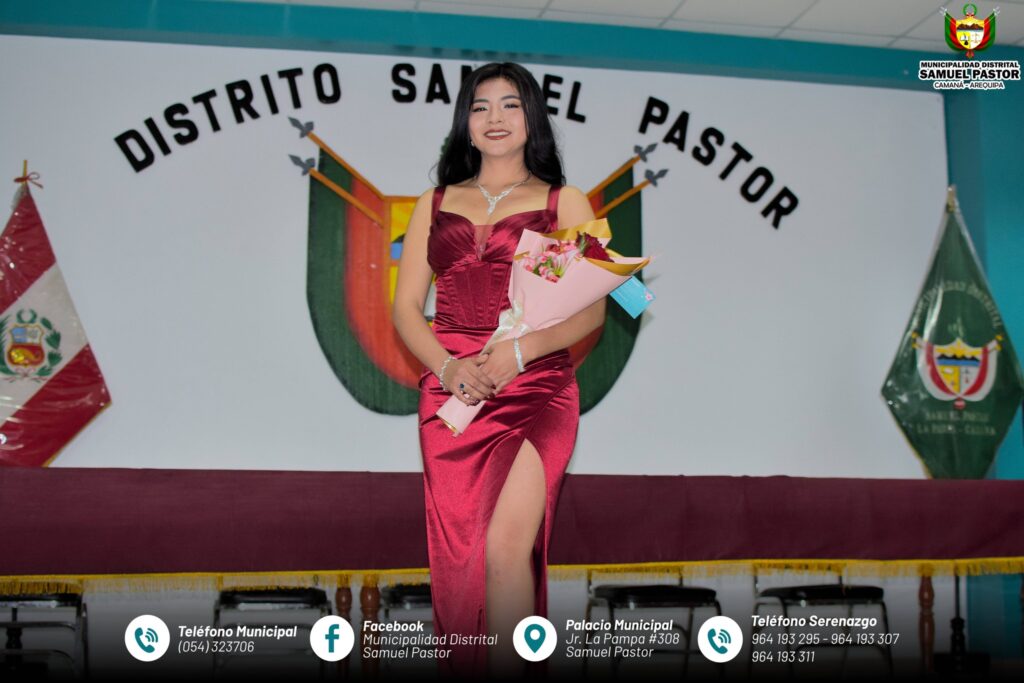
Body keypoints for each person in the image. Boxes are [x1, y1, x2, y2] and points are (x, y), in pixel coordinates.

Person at [392, 62, 604, 678]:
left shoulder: (565, 202)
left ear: (532, 117)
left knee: (505, 551)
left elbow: (592, 311)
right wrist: (447, 367)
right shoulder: (434, 203)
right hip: (453, 389)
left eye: (510, 105)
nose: (495, 118)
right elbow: (406, 309)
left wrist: (520, 352)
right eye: (480, 106)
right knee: (463, 557)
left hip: (535, 387)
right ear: (465, 121)